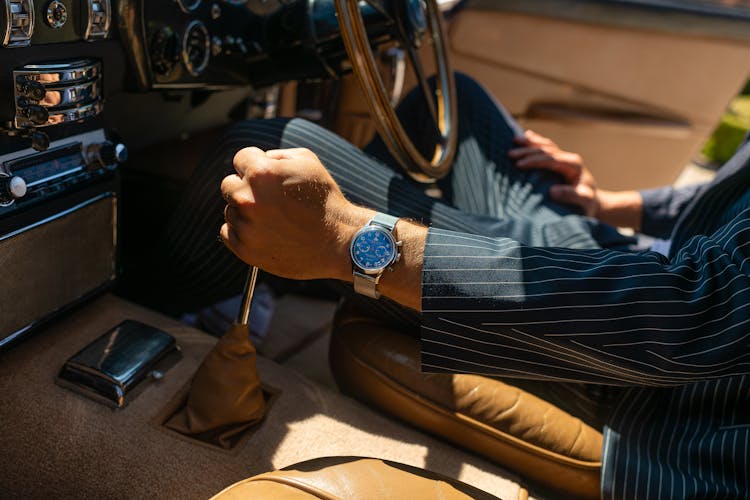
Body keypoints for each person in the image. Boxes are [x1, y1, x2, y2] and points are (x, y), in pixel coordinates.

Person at [160, 74, 749, 498]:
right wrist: (612, 205)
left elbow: (690, 314)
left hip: (663, 390)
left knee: (268, 147)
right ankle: (286, 268)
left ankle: (138, 298)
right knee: (449, 100)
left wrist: (349, 240)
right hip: (640, 260)